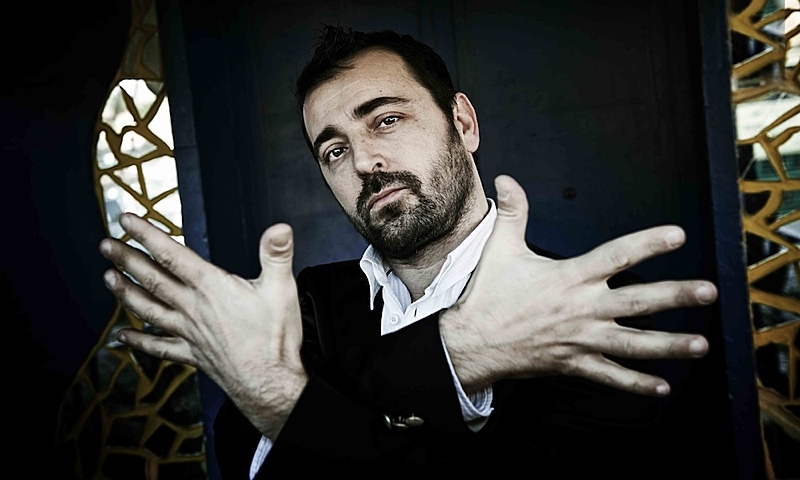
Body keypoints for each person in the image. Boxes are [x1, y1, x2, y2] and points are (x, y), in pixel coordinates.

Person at [98, 26, 718, 477]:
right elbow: (245, 461)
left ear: (463, 124)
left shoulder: (583, 308)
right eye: (334, 150)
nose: (364, 161)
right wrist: (457, 357)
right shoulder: (303, 303)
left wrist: (285, 398)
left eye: (386, 120)